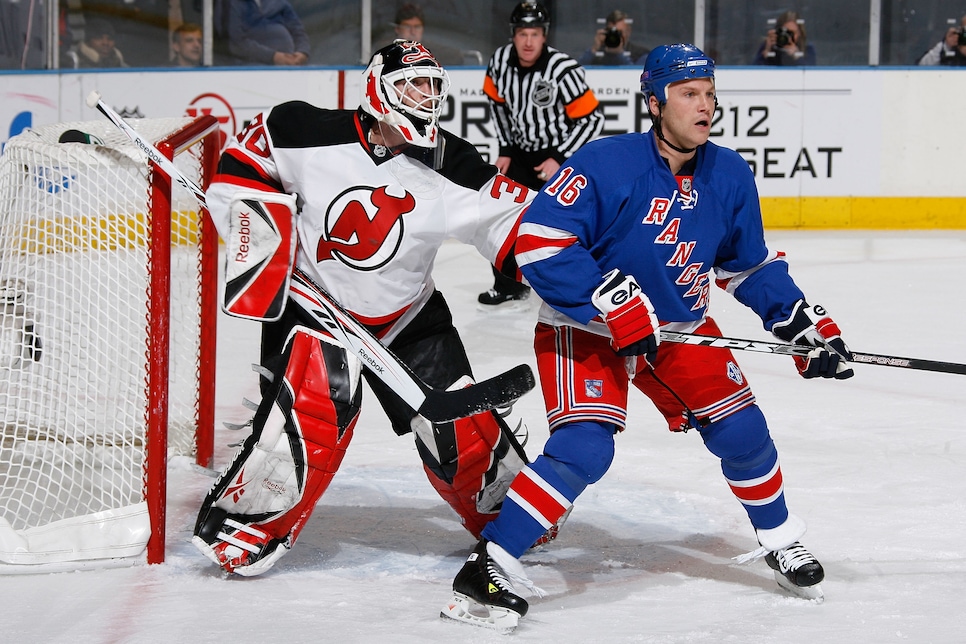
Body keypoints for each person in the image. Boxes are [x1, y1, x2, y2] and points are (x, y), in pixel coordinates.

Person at [443, 43, 854, 631]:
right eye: (689, 94)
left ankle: (781, 539)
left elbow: (747, 265)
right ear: (655, 102)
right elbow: (539, 242)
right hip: (583, 328)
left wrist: (800, 322)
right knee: (586, 446)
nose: (704, 106)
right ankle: (491, 565)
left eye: (710, 94)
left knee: (744, 432)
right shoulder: (605, 163)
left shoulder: (730, 173)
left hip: (679, 331)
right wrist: (608, 298)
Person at [191, 40, 547, 577]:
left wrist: (566, 272)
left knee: (461, 428)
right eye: (412, 85)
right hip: (317, 309)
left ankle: (507, 510)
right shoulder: (304, 130)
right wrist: (260, 234)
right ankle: (247, 524)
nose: (424, 98)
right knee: (307, 415)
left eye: (432, 87)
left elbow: (512, 225)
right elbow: (245, 163)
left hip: (408, 314)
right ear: (378, 87)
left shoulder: (453, 161)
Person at [477, 1, 603, 308]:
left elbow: (592, 119)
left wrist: (559, 157)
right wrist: (505, 148)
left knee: (565, 224)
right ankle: (509, 286)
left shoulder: (563, 70)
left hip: (557, 155)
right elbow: (498, 105)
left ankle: (581, 287)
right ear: (513, 35)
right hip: (519, 153)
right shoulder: (500, 62)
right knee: (504, 217)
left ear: (544, 35)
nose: (528, 41)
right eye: (522, 34)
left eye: (534, 33)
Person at [224, 0, 309, 65]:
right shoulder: (233, 3)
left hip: (290, 67)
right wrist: (274, 57)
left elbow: (298, 31)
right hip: (251, 68)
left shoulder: (279, 2)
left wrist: (302, 52)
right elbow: (237, 44)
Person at [389, 3, 462, 66]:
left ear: (423, 29)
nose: (413, 32)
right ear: (397, 29)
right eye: (407, 26)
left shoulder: (432, 50)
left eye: (417, 27)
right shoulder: (386, 51)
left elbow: (456, 56)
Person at [577, 9, 649, 66]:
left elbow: (637, 76)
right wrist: (594, 49)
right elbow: (578, 70)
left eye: (619, 32)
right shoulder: (597, 55)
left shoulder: (640, 54)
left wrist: (619, 54)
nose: (615, 36)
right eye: (611, 31)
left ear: (628, 32)